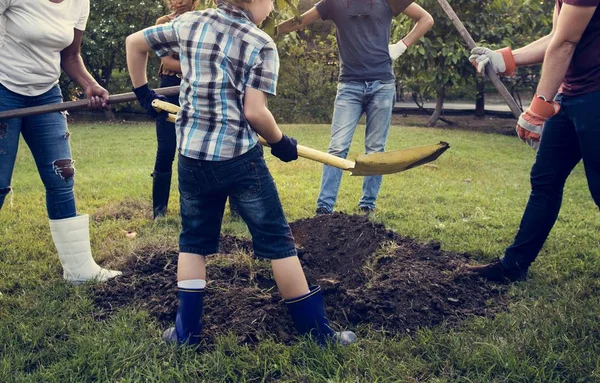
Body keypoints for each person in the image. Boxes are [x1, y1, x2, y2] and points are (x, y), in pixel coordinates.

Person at [126, 0, 356, 346]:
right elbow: (255, 112)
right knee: (278, 242)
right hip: (240, 161)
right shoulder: (260, 43)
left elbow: (134, 43)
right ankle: (317, 334)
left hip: (192, 157)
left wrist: (143, 93)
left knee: (193, 242)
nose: (274, 5)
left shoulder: (188, 23)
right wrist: (281, 143)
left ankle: (185, 333)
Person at [467, 0, 600, 281]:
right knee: (545, 180)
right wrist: (505, 58)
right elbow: (557, 36)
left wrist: (538, 107)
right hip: (571, 95)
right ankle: (513, 266)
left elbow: (566, 42)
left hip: (596, 97)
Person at [0, 0, 121, 284]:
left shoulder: (80, 2)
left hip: (46, 93)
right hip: (4, 89)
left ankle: (78, 269)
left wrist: (88, 84)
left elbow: (71, 55)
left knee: (62, 175)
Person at [277, 0, 434, 215]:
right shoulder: (333, 3)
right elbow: (300, 22)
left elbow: (426, 19)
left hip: (382, 85)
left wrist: (401, 46)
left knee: (375, 150)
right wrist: (265, 29)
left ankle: (367, 206)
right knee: (337, 147)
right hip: (349, 86)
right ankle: (324, 208)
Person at [150, 0, 198, 219]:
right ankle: (159, 211)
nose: (178, 1)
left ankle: (194, 207)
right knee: (167, 148)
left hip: (196, 88)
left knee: (194, 149)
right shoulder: (163, 22)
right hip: (169, 87)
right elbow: (168, 63)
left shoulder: (201, 20)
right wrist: (201, 66)